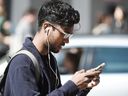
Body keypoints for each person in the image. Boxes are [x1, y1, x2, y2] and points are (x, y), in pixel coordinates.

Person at [4, 0, 102, 96]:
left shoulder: (50, 60)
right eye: (65, 34)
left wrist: (83, 88)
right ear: (47, 27)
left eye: (69, 36)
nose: (67, 41)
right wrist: (72, 85)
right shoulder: (22, 63)